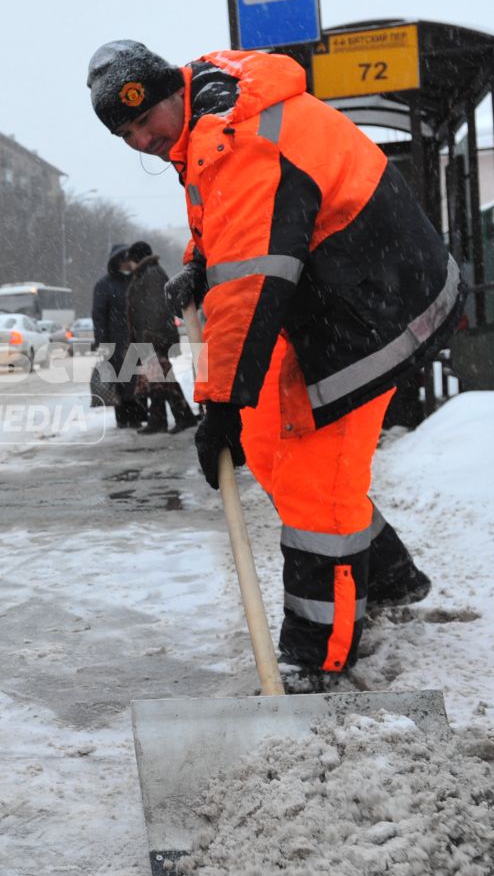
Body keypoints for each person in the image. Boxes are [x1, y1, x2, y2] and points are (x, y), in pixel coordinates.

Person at [88, 40, 446, 684]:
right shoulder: (202, 128)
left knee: (317, 480)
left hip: (372, 301)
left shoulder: (237, 135)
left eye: (145, 121)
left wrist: (220, 405)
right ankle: (391, 575)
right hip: (331, 292)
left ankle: (317, 658)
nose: (142, 138)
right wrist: (199, 265)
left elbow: (250, 286)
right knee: (268, 444)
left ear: (173, 89)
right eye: (128, 133)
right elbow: (231, 235)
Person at [123, 239, 197, 434]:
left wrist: (151, 334)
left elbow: (157, 307)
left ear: (137, 258)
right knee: (157, 379)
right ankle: (162, 420)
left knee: (163, 378)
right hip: (149, 336)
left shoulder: (151, 274)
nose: (128, 265)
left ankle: (182, 417)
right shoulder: (145, 274)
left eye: (130, 260)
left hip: (154, 336)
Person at [90, 243, 143, 427]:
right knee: (121, 381)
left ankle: (138, 417)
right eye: (126, 259)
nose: (130, 263)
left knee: (137, 379)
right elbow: (99, 317)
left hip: (136, 339)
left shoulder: (136, 280)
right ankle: (124, 418)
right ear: (119, 261)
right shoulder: (104, 286)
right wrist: (102, 343)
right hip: (116, 341)